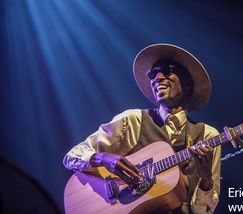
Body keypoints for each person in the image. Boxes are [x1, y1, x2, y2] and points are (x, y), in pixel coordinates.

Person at [63, 44, 221, 213]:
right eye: (153, 74)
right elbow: (72, 156)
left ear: (187, 82)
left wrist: (206, 179)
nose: (158, 77)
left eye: (167, 70)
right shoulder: (134, 120)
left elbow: (202, 211)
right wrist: (103, 159)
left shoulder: (208, 135)